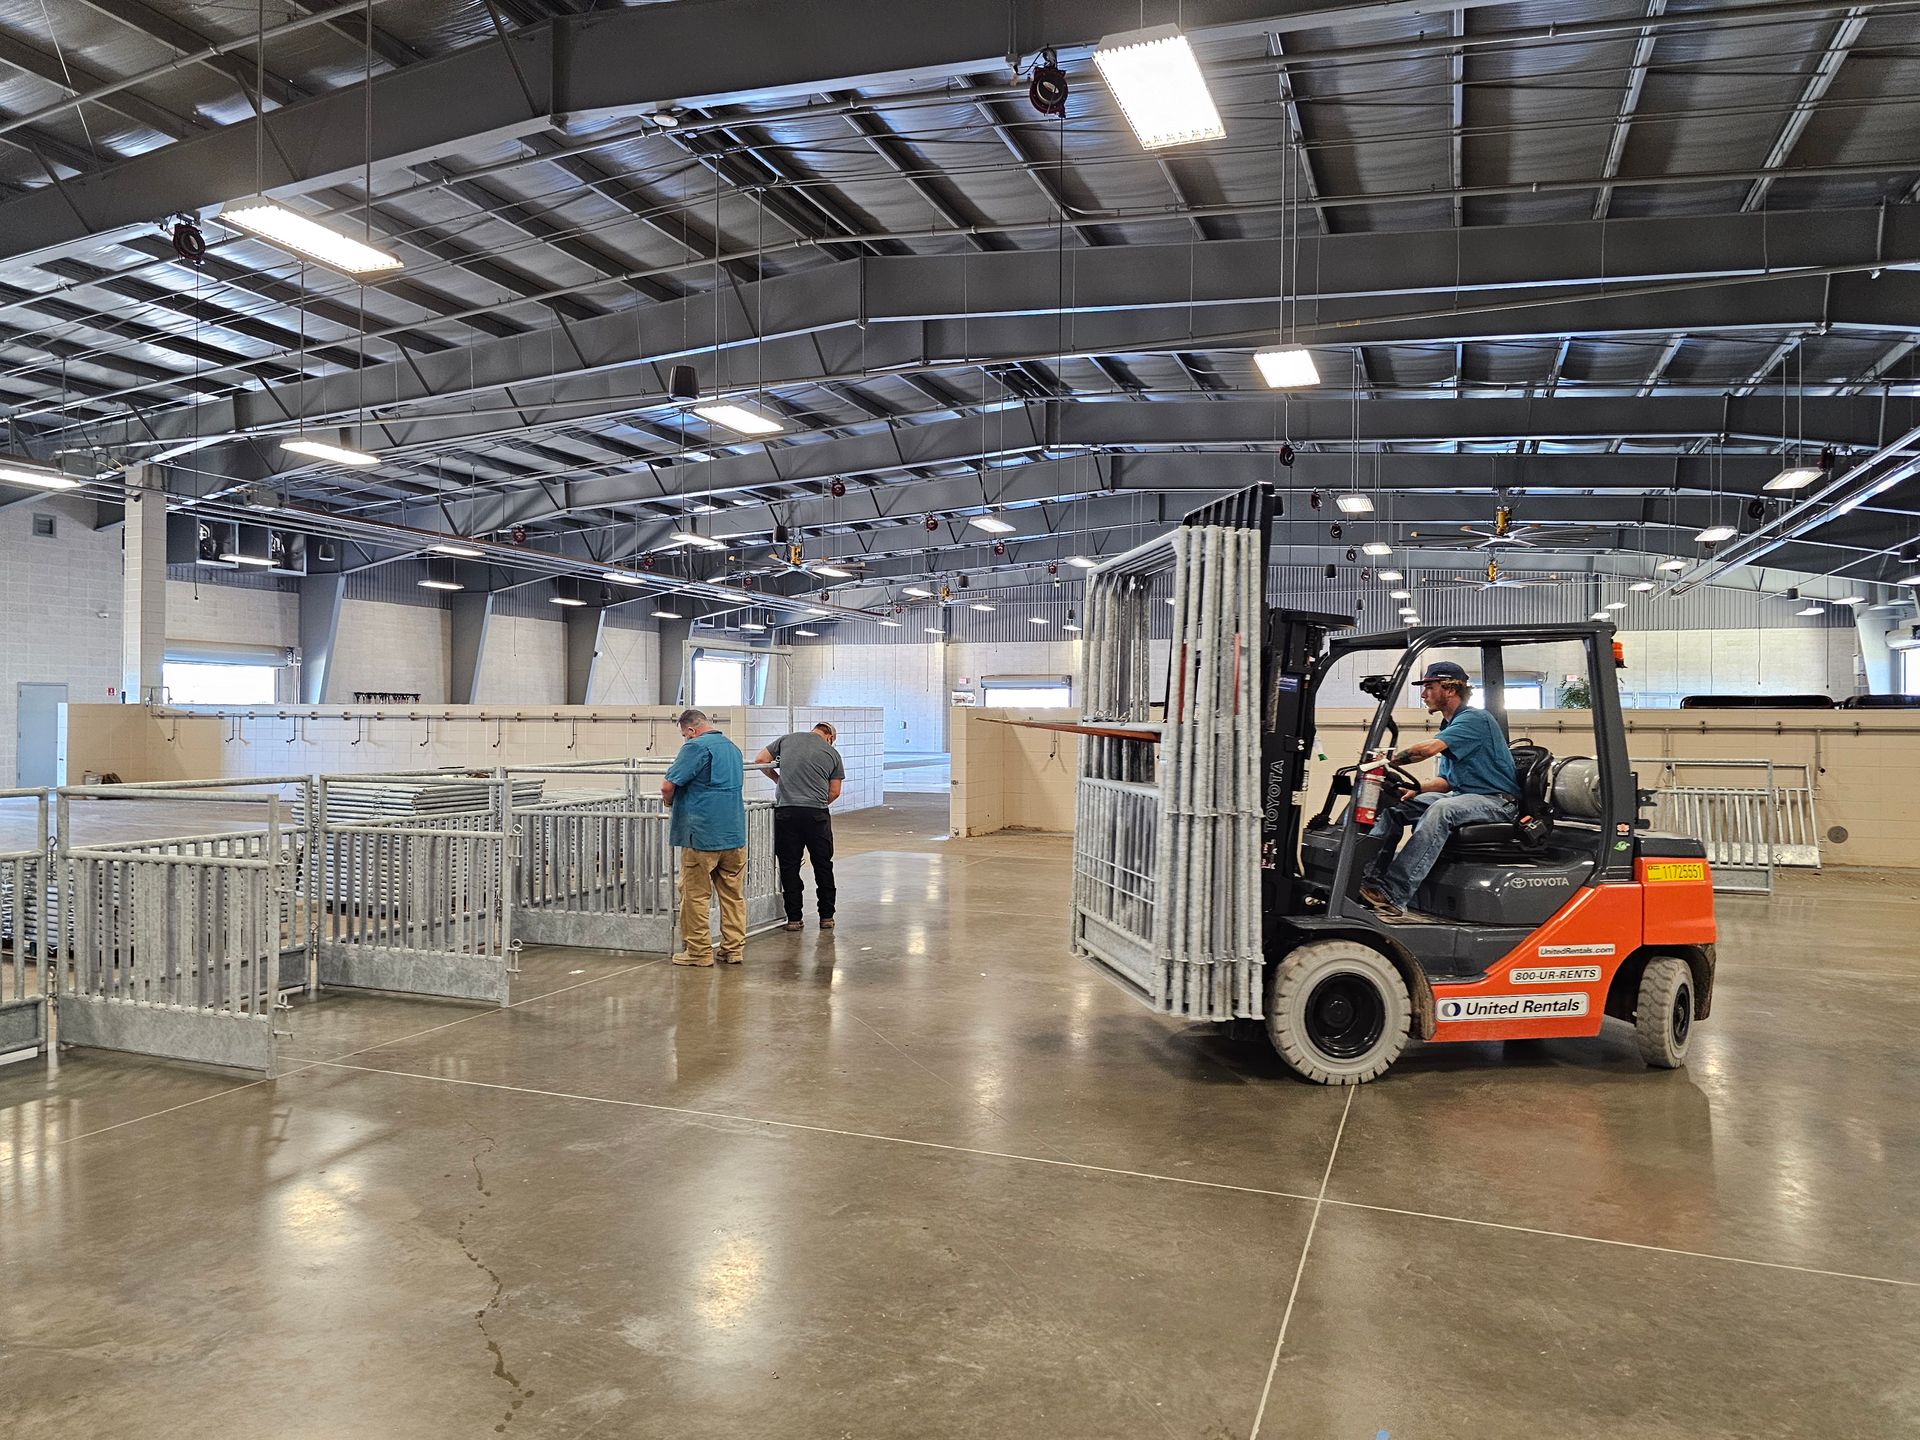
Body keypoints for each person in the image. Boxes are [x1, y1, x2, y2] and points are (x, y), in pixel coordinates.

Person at [1358, 660, 1519, 920]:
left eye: (1429, 687)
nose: (1423, 694)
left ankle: (1393, 894)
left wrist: (1386, 760)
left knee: (1441, 809)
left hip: (1496, 802)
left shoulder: (1475, 719)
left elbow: (1426, 750)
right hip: (1463, 796)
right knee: (1394, 808)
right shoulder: (1450, 727)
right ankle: (1369, 880)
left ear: (1450, 689)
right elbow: (1445, 782)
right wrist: (1415, 787)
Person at [661, 708, 747, 966]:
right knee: (732, 895)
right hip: (733, 833)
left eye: (684, 735)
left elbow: (668, 785)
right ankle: (733, 949)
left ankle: (698, 952)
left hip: (701, 834)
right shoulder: (733, 748)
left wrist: (668, 802)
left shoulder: (695, 747)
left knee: (694, 894)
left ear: (691, 730)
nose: (685, 739)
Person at [753, 722, 844, 931]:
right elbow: (835, 791)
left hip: (787, 812)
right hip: (816, 815)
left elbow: (760, 760)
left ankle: (794, 918)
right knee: (823, 865)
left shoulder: (786, 740)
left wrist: (778, 780)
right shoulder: (832, 753)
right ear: (829, 736)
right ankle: (826, 917)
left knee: (789, 866)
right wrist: (818, 803)